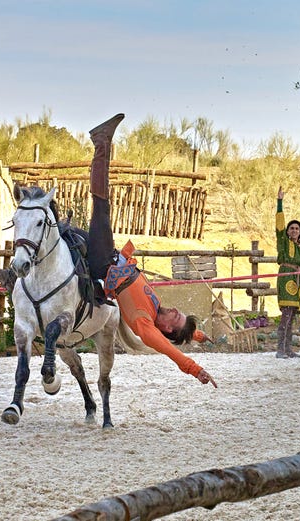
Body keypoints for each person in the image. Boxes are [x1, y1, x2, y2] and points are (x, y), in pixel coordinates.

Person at [85, 114, 217, 388]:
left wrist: (195, 370)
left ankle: (101, 142)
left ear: (167, 328)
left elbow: (170, 350)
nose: (176, 310)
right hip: (113, 258)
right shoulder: (158, 309)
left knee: (102, 204)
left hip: (102, 265)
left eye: (177, 317)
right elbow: (183, 335)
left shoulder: (145, 325)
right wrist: (199, 336)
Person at [275, 186, 300, 359]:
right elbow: (279, 224)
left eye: (297, 229)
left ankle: (288, 349)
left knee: (292, 317)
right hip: (286, 280)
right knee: (286, 315)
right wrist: (279, 202)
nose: (294, 230)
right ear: (288, 232)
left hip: (298, 283)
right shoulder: (283, 243)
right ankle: (280, 350)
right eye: (292, 228)